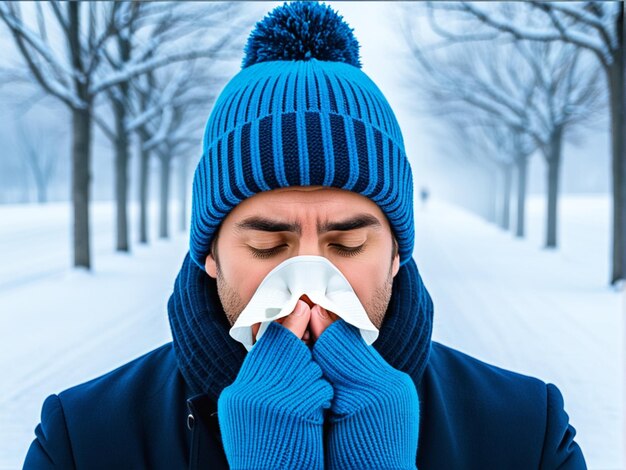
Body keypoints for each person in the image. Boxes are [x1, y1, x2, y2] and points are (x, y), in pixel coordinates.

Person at [23, 2, 586, 469]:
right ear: (210, 255)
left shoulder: (526, 434)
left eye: (349, 245)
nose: (309, 287)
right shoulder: (83, 441)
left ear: (396, 255)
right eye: (268, 246)